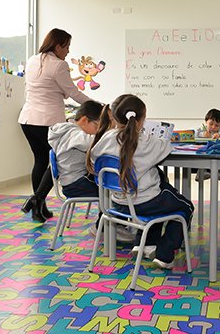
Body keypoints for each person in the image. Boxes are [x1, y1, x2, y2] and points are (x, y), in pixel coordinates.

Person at [86, 94, 195, 269]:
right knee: (185, 207)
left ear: (115, 116)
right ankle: (164, 254)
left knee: (159, 197)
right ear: (140, 120)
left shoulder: (106, 139)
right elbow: (165, 146)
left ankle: (144, 244)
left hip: (118, 202)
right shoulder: (145, 141)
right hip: (144, 201)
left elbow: (95, 157)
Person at [18, 28, 91, 223]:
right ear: (58, 46)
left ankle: (38, 208)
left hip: (27, 119)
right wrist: (98, 107)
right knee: (57, 160)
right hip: (47, 121)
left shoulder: (33, 60)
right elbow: (74, 94)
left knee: (40, 160)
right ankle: (37, 199)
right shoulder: (59, 65)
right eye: (66, 46)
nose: (68, 51)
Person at [47, 101, 133, 242]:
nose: (97, 130)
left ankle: (112, 223)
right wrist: (112, 134)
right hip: (76, 183)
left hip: (74, 180)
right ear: (84, 120)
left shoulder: (66, 130)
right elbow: (92, 142)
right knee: (113, 190)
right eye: (97, 126)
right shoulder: (73, 133)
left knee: (111, 185)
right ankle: (104, 227)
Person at [195, 108, 220, 182]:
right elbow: (195, 134)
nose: (213, 127)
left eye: (217, 125)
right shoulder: (202, 130)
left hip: (216, 152)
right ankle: (201, 172)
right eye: (211, 124)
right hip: (204, 152)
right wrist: (203, 134)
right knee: (202, 158)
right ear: (206, 121)